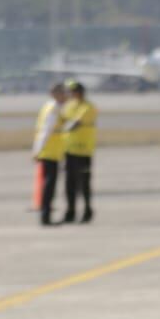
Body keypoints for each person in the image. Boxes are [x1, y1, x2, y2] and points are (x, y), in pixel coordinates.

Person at [60, 80, 98, 224]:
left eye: (72, 92)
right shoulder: (69, 106)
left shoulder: (89, 107)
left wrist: (59, 130)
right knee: (69, 184)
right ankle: (70, 211)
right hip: (69, 150)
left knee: (84, 183)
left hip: (84, 150)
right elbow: (62, 119)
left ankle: (87, 210)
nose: (70, 94)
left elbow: (74, 124)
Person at [32, 82, 69, 226]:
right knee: (49, 186)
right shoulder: (54, 109)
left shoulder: (50, 106)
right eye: (64, 93)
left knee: (49, 185)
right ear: (57, 94)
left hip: (51, 151)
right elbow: (45, 131)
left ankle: (46, 215)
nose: (66, 96)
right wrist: (37, 150)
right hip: (49, 151)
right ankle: (45, 216)